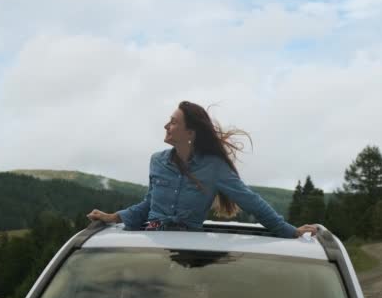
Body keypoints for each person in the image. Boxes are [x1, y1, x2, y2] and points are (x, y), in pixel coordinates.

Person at [87, 101, 317, 238]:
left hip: (191, 249)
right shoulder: (157, 161)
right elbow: (150, 204)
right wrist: (113, 217)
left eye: (174, 122)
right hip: (151, 241)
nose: (166, 126)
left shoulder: (214, 167)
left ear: (190, 133)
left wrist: (290, 231)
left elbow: (251, 201)